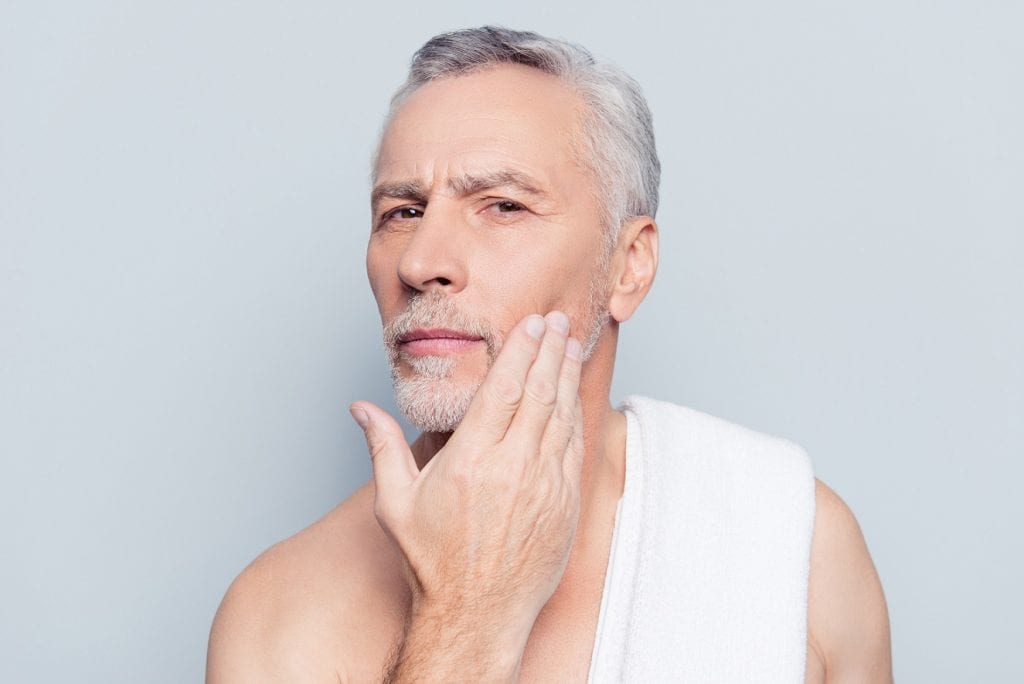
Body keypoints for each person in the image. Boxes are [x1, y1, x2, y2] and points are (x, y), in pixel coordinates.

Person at [206, 26, 892, 682]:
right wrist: (467, 619)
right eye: (402, 212)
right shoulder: (279, 616)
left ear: (628, 265)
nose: (420, 262)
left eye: (502, 206)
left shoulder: (789, 539)